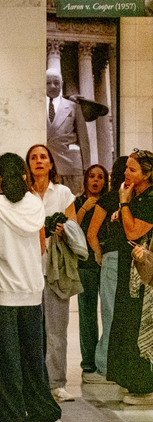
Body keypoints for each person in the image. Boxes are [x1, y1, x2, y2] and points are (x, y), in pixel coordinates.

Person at [0, 152, 62, 422]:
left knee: (2, 359)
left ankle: (11, 417)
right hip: (31, 291)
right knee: (31, 358)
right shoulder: (34, 203)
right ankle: (43, 412)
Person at [26, 144, 78, 403]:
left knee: (57, 330)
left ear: (50, 164)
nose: (38, 161)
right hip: (28, 269)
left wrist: (62, 230)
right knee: (32, 330)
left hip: (56, 268)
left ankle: (57, 383)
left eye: (43, 157)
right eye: (33, 158)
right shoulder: (23, 195)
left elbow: (75, 229)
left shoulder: (63, 193)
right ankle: (34, 382)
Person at [107, 150, 153, 405]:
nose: (126, 173)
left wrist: (124, 204)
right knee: (125, 322)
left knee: (140, 325)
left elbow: (134, 230)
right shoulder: (136, 195)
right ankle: (132, 382)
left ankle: (145, 386)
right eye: (126, 168)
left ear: (147, 175)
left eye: (133, 169)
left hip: (146, 276)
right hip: (130, 269)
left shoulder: (150, 197)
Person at [85, 156, 128, 383]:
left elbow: (92, 233)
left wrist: (100, 256)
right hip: (133, 257)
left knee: (110, 314)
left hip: (112, 257)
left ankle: (104, 366)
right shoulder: (136, 198)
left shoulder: (109, 199)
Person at [73, 165, 109, 383]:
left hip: (105, 262)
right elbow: (71, 228)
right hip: (85, 264)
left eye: (101, 177)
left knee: (108, 313)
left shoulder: (108, 202)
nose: (96, 181)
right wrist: (84, 209)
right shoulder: (77, 202)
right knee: (87, 315)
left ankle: (104, 359)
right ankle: (88, 363)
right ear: (85, 180)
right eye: (92, 176)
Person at [45, 68, 90, 195]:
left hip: (70, 166)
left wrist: (86, 168)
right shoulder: (37, 106)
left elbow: (84, 139)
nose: (52, 86)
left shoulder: (73, 106)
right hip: (45, 166)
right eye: (48, 83)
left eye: (56, 82)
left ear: (62, 84)